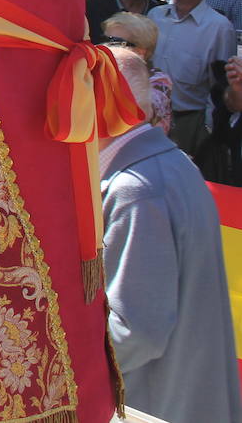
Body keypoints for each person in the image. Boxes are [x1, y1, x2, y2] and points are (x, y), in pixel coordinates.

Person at [100, 47, 242, 423]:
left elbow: (134, 333)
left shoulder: (137, 188)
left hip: (156, 405)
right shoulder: (164, 165)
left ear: (102, 106)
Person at [149, 0, 235, 157]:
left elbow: (219, 87)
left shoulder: (219, 27)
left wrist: (207, 132)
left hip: (188, 124)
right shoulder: (156, 16)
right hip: (148, 119)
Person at [102, 12, 173, 134]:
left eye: (114, 42)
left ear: (140, 51)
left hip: (142, 150)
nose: (104, 46)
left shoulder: (159, 82)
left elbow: (141, 117)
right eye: (104, 40)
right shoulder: (104, 74)